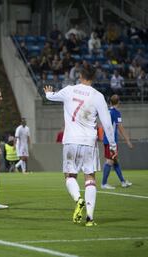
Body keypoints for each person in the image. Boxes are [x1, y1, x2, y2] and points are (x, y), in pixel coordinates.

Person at [44, 65, 117, 227]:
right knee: (90, 177)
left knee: (70, 176)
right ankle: (90, 218)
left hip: (70, 140)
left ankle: (78, 199)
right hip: (88, 141)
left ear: (80, 75)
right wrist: (112, 145)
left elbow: (51, 97)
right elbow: (107, 124)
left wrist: (48, 92)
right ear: (93, 78)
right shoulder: (97, 96)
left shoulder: (69, 90)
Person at [101, 94, 133, 189]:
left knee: (115, 161)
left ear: (110, 102)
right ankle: (104, 183)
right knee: (110, 161)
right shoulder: (116, 113)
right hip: (111, 141)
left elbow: (110, 127)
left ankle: (123, 182)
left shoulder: (107, 111)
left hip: (107, 139)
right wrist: (128, 140)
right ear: (118, 103)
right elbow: (120, 128)